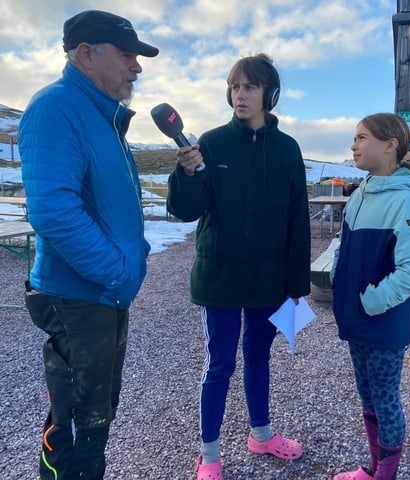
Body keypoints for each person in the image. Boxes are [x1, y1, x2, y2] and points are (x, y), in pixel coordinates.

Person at [17, 10, 158, 480]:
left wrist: (127, 265)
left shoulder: (102, 115)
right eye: (127, 55)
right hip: (81, 294)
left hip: (101, 292)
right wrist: (117, 269)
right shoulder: (55, 108)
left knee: (95, 417)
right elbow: (53, 212)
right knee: (78, 423)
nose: (136, 67)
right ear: (85, 54)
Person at [167, 53, 311, 480]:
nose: (240, 95)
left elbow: (298, 219)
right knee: (220, 364)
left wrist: (296, 284)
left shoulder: (287, 149)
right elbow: (186, 210)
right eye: (234, 86)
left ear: (270, 93)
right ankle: (209, 456)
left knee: (258, 357)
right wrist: (188, 174)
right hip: (221, 278)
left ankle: (261, 435)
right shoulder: (209, 143)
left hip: (269, 280)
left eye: (249, 86)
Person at [330, 113, 410, 480]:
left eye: (362, 137)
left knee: (386, 400)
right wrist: (337, 280)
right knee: (368, 397)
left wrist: (371, 301)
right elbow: (344, 249)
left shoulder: (407, 202)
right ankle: (375, 469)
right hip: (356, 319)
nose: (353, 145)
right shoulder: (361, 192)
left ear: (390, 144)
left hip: (383, 324)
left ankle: (385, 475)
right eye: (354, 137)